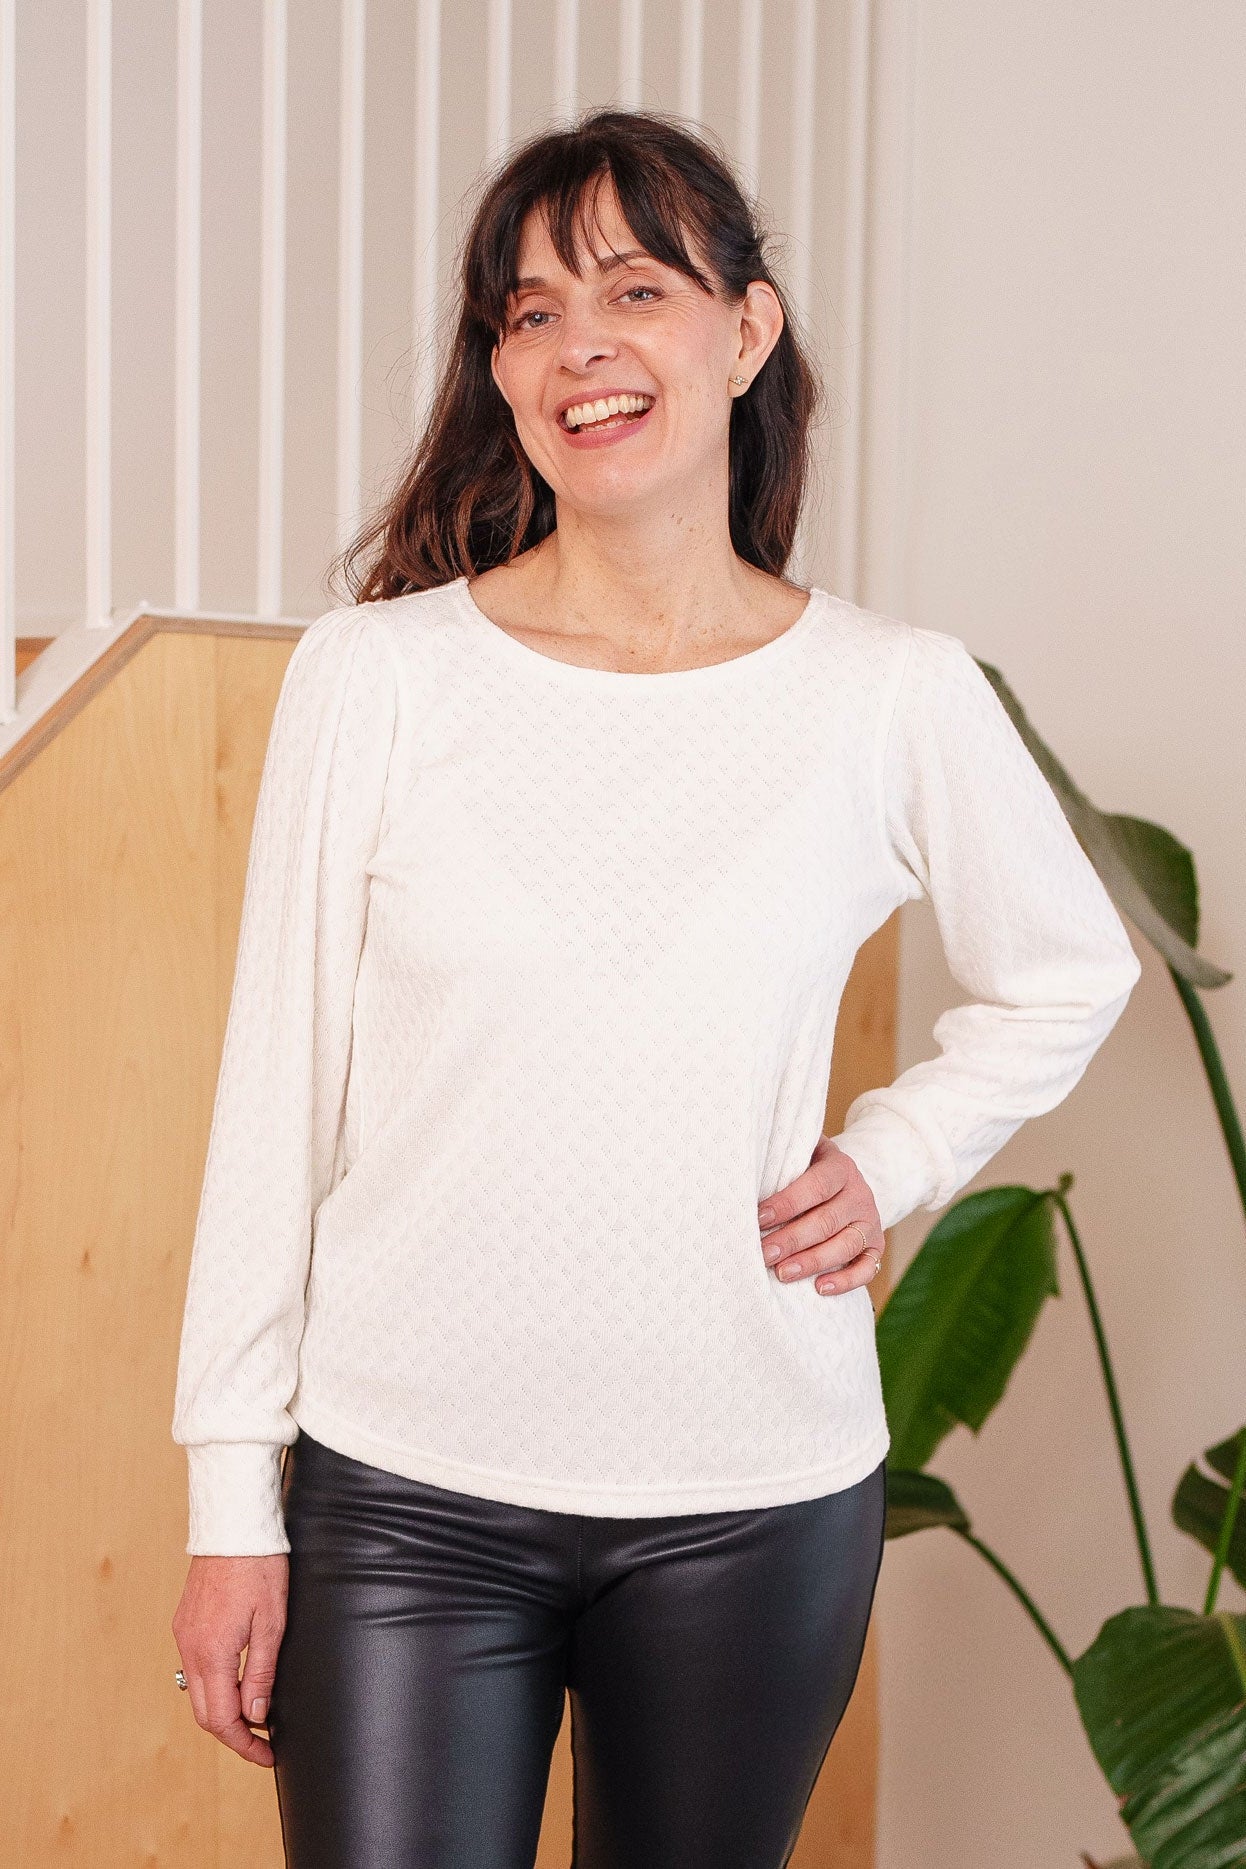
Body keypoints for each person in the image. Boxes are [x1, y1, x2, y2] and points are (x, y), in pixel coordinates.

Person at [170, 107, 1142, 1868]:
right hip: (403, 1494)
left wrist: (899, 1152)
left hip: (753, 1495)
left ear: (746, 331)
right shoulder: (377, 678)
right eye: (529, 312)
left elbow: (1066, 967)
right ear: (502, 369)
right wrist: (232, 1498)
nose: (577, 344)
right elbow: (273, 1100)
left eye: (633, 286)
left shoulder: (885, 694)